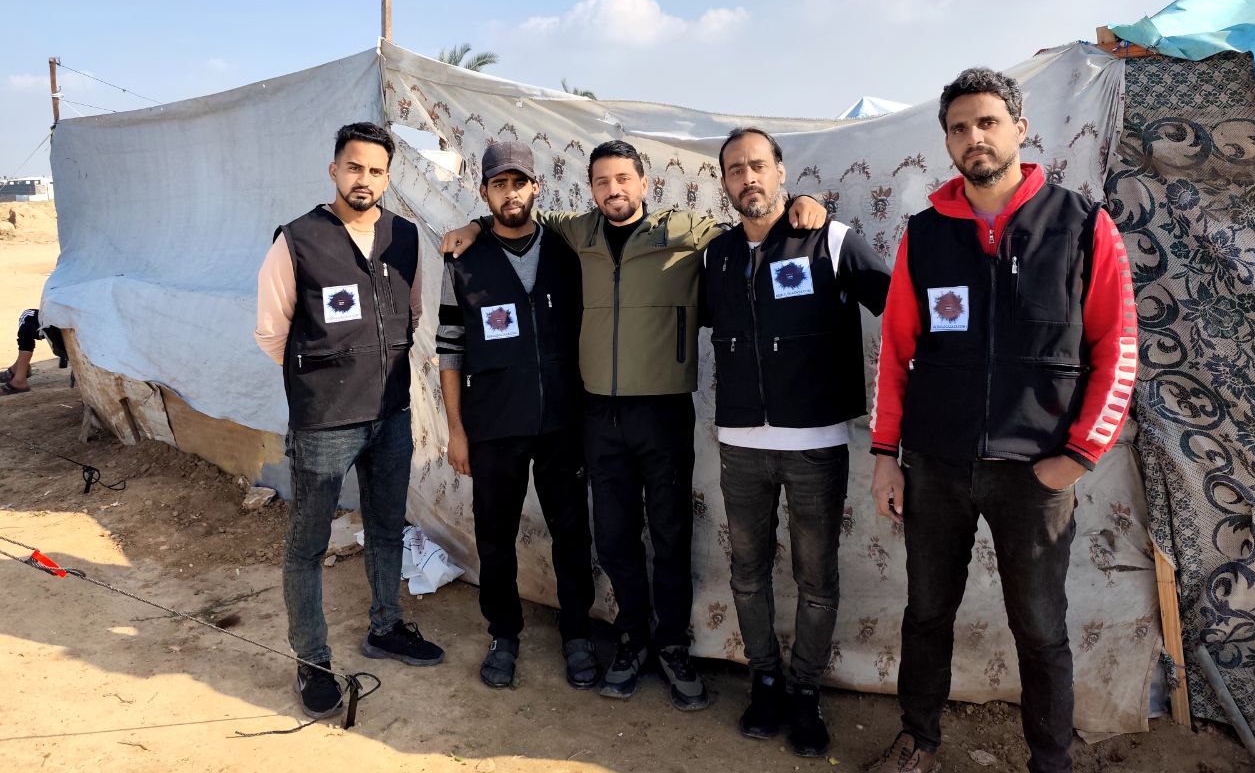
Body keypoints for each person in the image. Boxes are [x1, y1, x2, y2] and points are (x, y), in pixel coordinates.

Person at [441, 140, 828, 710]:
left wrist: (802, 203)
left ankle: (671, 645)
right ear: (590, 190)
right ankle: (629, 640)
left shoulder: (686, 230)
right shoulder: (577, 234)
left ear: (645, 183)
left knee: (670, 535)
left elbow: (752, 220)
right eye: (602, 181)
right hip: (596, 413)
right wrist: (474, 226)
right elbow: (511, 219)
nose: (614, 189)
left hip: (663, 411)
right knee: (614, 536)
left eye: (624, 178)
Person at [867, 68, 1136, 773]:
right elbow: (896, 350)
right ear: (947, 141)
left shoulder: (1080, 225)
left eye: (987, 122)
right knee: (927, 613)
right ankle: (918, 738)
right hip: (936, 465)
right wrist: (887, 454)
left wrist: (1077, 457)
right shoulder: (926, 234)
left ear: (1020, 128)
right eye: (959, 128)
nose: (974, 137)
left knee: (1041, 628)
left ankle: (1051, 760)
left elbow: (1117, 348)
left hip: (1036, 472)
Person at [700, 127, 890, 756]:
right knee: (747, 571)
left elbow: (898, 307)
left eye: (758, 165)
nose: (748, 177)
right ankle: (764, 681)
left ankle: (806, 690)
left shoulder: (829, 239)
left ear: (781, 171)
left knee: (816, 575)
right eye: (735, 169)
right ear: (724, 182)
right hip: (739, 443)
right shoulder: (716, 255)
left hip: (814, 443)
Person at [255, 121, 443, 720]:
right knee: (308, 543)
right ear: (334, 169)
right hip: (325, 422)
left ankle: (386, 626)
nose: (365, 179)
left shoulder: (404, 237)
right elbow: (271, 333)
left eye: (376, 170)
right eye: (354, 167)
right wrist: (325, 377)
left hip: (390, 413)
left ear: (388, 178)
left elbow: (411, 313)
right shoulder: (298, 240)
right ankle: (312, 660)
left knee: (387, 528)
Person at [435, 141, 598, 691]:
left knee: (571, 530)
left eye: (519, 182)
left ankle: (577, 633)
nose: (511, 193)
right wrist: (456, 430)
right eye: (499, 184)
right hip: (494, 422)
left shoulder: (566, 249)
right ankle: (503, 633)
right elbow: (450, 348)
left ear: (536, 187)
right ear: (484, 192)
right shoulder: (462, 259)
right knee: (495, 535)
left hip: (563, 421)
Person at [1, 309, 67, 394]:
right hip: (72, 326)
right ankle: (19, 369)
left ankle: (19, 379)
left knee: (27, 321)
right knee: (28, 318)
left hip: (71, 333)